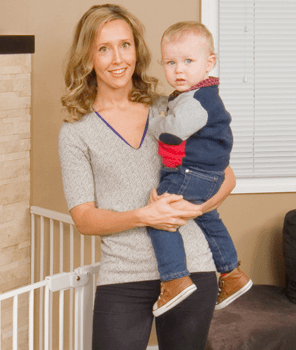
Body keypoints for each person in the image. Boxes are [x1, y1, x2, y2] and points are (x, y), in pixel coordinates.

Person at [58, 4, 235, 350]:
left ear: (137, 50)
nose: (117, 58)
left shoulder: (170, 108)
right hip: (124, 276)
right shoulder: (75, 132)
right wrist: (145, 215)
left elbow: (225, 177)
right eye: (103, 48)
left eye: (125, 45)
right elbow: (84, 218)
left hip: (192, 268)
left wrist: (193, 211)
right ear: (88, 57)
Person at [147, 21, 252, 317]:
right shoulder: (201, 94)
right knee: (209, 218)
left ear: (209, 63)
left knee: (161, 218)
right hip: (210, 175)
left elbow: (173, 132)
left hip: (191, 172)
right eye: (170, 62)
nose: (178, 70)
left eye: (188, 61)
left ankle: (174, 279)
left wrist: (156, 121)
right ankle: (232, 274)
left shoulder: (196, 99)